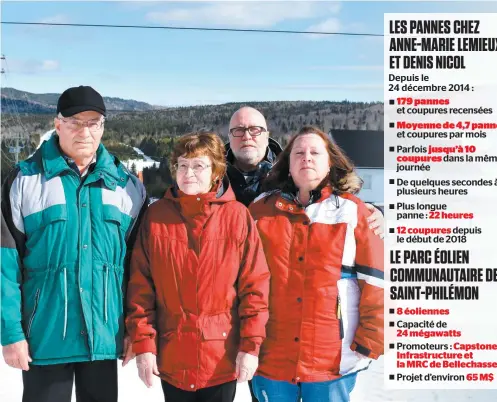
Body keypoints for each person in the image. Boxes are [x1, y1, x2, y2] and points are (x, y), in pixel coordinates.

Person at [226, 107, 384, 402]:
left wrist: (371, 339)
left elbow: (375, 282)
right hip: (272, 355)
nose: (306, 158)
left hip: (331, 358)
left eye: (315, 153)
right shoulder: (260, 210)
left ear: (330, 163)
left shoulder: (355, 212)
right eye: (298, 153)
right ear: (287, 164)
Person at [1, 85, 147, 402]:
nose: (85, 131)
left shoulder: (127, 187)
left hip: (104, 336)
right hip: (46, 335)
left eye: (93, 122)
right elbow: (5, 264)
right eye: (74, 122)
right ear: (57, 124)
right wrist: (11, 333)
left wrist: (137, 329)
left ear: (103, 127)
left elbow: (137, 269)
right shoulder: (25, 181)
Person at [125, 131, 270, 402]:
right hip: (173, 354)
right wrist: (144, 344)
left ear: (216, 171)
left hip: (220, 357)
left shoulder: (237, 216)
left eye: (198, 165)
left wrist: (250, 346)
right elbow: (140, 288)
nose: (188, 173)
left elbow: (255, 287)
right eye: (182, 165)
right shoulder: (156, 218)